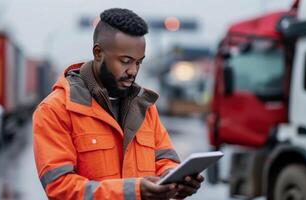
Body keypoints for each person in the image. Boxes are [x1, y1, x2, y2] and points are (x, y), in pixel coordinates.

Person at [33, 8, 204, 200]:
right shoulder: (55, 110)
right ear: (98, 53)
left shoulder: (145, 108)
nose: (133, 71)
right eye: (125, 61)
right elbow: (60, 188)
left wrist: (174, 179)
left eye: (139, 63)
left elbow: (164, 159)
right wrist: (134, 191)